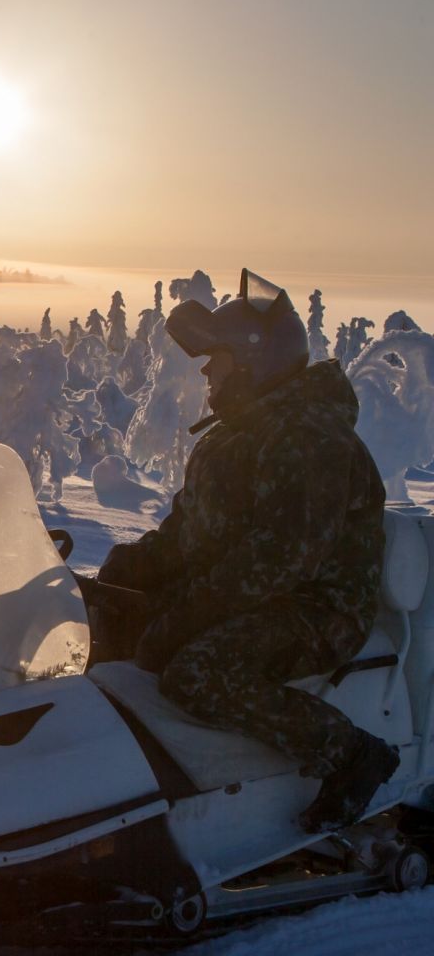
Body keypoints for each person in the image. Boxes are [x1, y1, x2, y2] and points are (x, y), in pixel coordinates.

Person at [97, 269, 395, 834]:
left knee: (197, 674)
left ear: (254, 360)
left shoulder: (311, 438)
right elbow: (188, 534)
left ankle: (352, 752)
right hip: (252, 591)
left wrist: (186, 612)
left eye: (218, 359)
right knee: (106, 612)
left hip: (316, 608)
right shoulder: (236, 437)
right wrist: (125, 570)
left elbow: (281, 560)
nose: (208, 371)